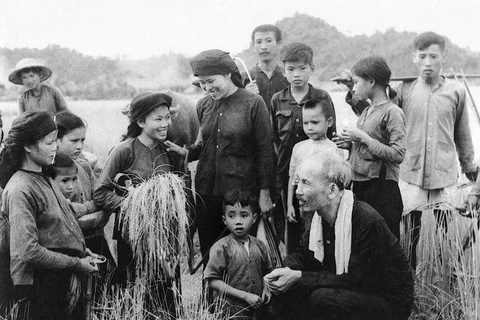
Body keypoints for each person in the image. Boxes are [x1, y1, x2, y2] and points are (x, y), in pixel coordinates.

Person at [340, 32, 477, 268]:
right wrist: (352, 89)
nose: (428, 62)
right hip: (409, 174)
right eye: (422, 56)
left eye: (434, 56)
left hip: (443, 176)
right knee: (408, 236)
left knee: (448, 236)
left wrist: (470, 168)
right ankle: (408, 283)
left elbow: (463, 135)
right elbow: (377, 115)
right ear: (414, 57)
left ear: (444, 56)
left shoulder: (456, 91)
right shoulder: (404, 90)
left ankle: (450, 280)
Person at [264, 153, 414, 320]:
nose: (298, 191)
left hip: (387, 302)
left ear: (332, 190)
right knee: (287, 289)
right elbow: (302, 255)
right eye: (298, 182)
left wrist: (299, 276)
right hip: (353, 291)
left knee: (322, 298)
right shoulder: (319, 217)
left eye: (305, 183)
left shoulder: (365, 221)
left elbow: (357, 280)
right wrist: (281, 271)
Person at [166, 49, 274, 264]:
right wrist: (186, 152)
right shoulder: (203, 105)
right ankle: (211, 297)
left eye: (210, 81)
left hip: (241, 193)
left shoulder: (253, 103)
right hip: (207, 192)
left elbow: (265, 151)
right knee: (210, 252)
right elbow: (206, 146)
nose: (206, 88)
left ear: (227, 74)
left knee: (241, 255)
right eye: (202, 83)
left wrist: (265, 193)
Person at [93, 92, 185, 318]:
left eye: (167, 118)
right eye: (158, 119)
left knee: (166, 291)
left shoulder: (169, 151)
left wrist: (182, 159)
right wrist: (134, 205)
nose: (165, 124)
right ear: (140, 122)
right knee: (135, 290)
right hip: (132, 235)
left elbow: (180, 191)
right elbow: (101, 193)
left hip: (165, 237)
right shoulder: (124, 150)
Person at [0, 110, 98, 320]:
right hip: (38, 286)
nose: (55, 148)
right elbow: (28, 251)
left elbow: (56, 225)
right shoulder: (21, 189)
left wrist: (79, 250)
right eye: (49, 143)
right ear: (27, 146)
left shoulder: (44, 176)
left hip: (57, 280)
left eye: (55, 141)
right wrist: (75, 263)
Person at [271, 42, 336, 253]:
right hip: (288, 176)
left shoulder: (322, 97)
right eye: (290, 69)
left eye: (302, 68)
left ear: (312, 69)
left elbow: (331, 134)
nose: (296, 74)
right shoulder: (277, 100)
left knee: (321, 224)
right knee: (292, 225)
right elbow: (273, 138)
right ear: (284, 71)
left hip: (319, 175)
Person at [334, 56, 406, 238]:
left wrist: (363, 138)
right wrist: (350, 145)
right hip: (361, 187)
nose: (354, 87)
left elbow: (398, 154)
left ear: (372, 81)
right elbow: (368, 146)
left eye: (357, 82)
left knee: (385, 248)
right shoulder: (367, 110)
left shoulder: (393, 112)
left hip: (382, 191)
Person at [204, 189, 273, 320]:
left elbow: (267, 273)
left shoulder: (260, 245)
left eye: (244, 215)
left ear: (254, 218)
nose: (238, 221)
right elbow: (212, 281)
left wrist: (266, 288)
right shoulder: (221, 247)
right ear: (224, 220)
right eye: (231, 216)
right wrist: (245, 296)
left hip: (256, 311)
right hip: (230, 312)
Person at [286, 98, 339, 252]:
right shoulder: (299, 148)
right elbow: (293, 178)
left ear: (329, 122)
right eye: (305, 123)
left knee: (323, 237)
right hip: (303, 203)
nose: (309, 128)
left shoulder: (333, 149)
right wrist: (290, 205)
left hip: (324, 204)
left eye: (315, 123)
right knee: (304, 238)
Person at [55, 112, 109, 254]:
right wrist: (97, 215)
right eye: (74, 141)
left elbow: (102, 199)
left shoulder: (84, 166)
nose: (80, 146)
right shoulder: (49, 172)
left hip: (96, 240)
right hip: (67, 246)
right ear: (56, 140)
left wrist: (84, 209)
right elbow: (63, 219)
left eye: (82, 140)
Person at [244, 24, 289, 107]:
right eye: (259, 42)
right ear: (253, 46)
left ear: (279, 43)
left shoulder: (288, 76)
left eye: (268, 41)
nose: (263, 47)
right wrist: (244, 95)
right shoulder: (243, 77)